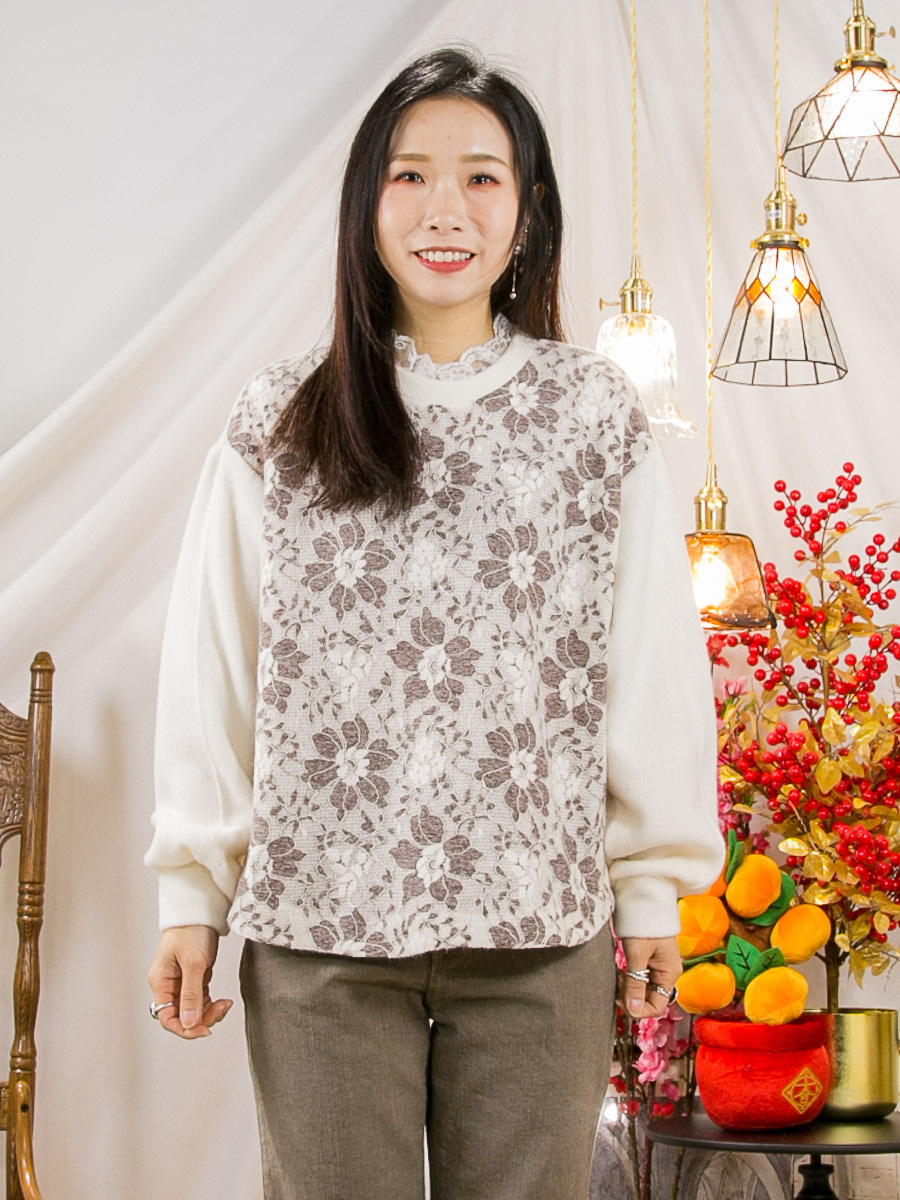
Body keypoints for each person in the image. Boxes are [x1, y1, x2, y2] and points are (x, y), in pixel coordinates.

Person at [146, 45, 723, 1200]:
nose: (444, 209)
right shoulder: (286, 417)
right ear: (365, 208)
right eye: (409, 176)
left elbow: (652, 660)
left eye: (481, 177)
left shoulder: (591, 418)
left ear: (528, 210)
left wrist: (654, 886)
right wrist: (191, 895)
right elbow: (216, 668)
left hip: (538, 938)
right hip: (320, 938)